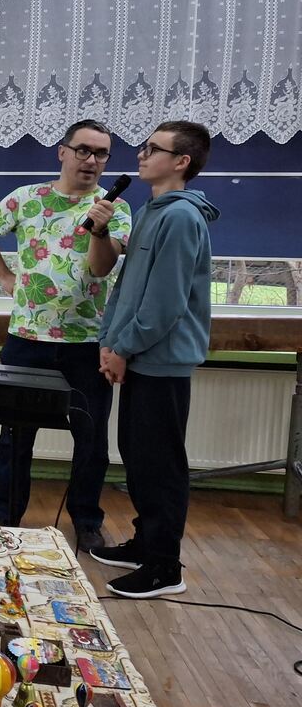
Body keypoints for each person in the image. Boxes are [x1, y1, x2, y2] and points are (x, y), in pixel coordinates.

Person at [0, 119, 131, 552]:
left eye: (101, 154)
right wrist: (4, 276)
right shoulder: (27, 198)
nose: (91, 160)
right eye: (83, 150)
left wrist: (99, 229)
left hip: (87, 343)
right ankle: (5, 513)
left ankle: (87, 520)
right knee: (15, 433)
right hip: (27, 338)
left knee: (91, 439)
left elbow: (101, 267)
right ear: (63, 152)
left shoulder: (115, 208)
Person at [89, 121, 218, 599]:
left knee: (161, 464)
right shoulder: (150, 211)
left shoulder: (182, 218)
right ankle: (145, 544)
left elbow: (164, 304)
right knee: (139, 457)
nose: (141, 155)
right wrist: (109, 342)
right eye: (144, 147)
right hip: (136, 356)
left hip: (161, 362)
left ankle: (165, 567)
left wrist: (123, 348)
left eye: (153, 149)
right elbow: (127, 289)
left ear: (181, 161)